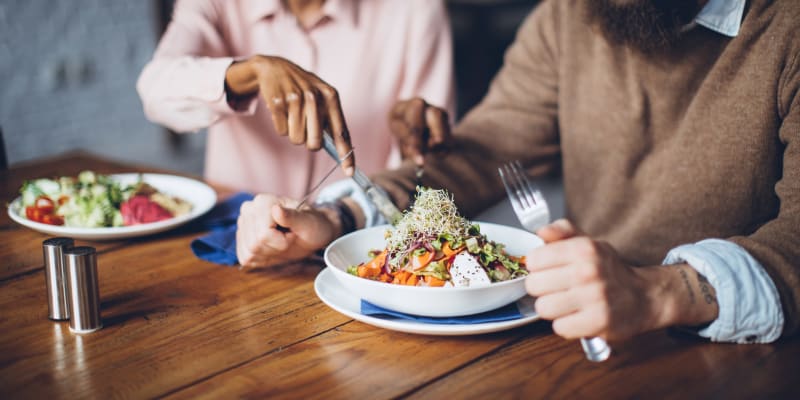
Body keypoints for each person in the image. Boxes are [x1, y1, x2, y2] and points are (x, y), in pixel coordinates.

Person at [236, 0, 800, 345]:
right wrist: (336, 217)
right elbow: (482, 152)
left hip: (746, 355)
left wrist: (660, 293)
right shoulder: (569, 14)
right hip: (578, 337)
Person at [137, 0, 454, 197]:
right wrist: (249, 72)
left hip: (356, 238)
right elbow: (156, 90)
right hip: (231, 232)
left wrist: (413, 142)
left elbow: (428, 172)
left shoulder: (415, 8)